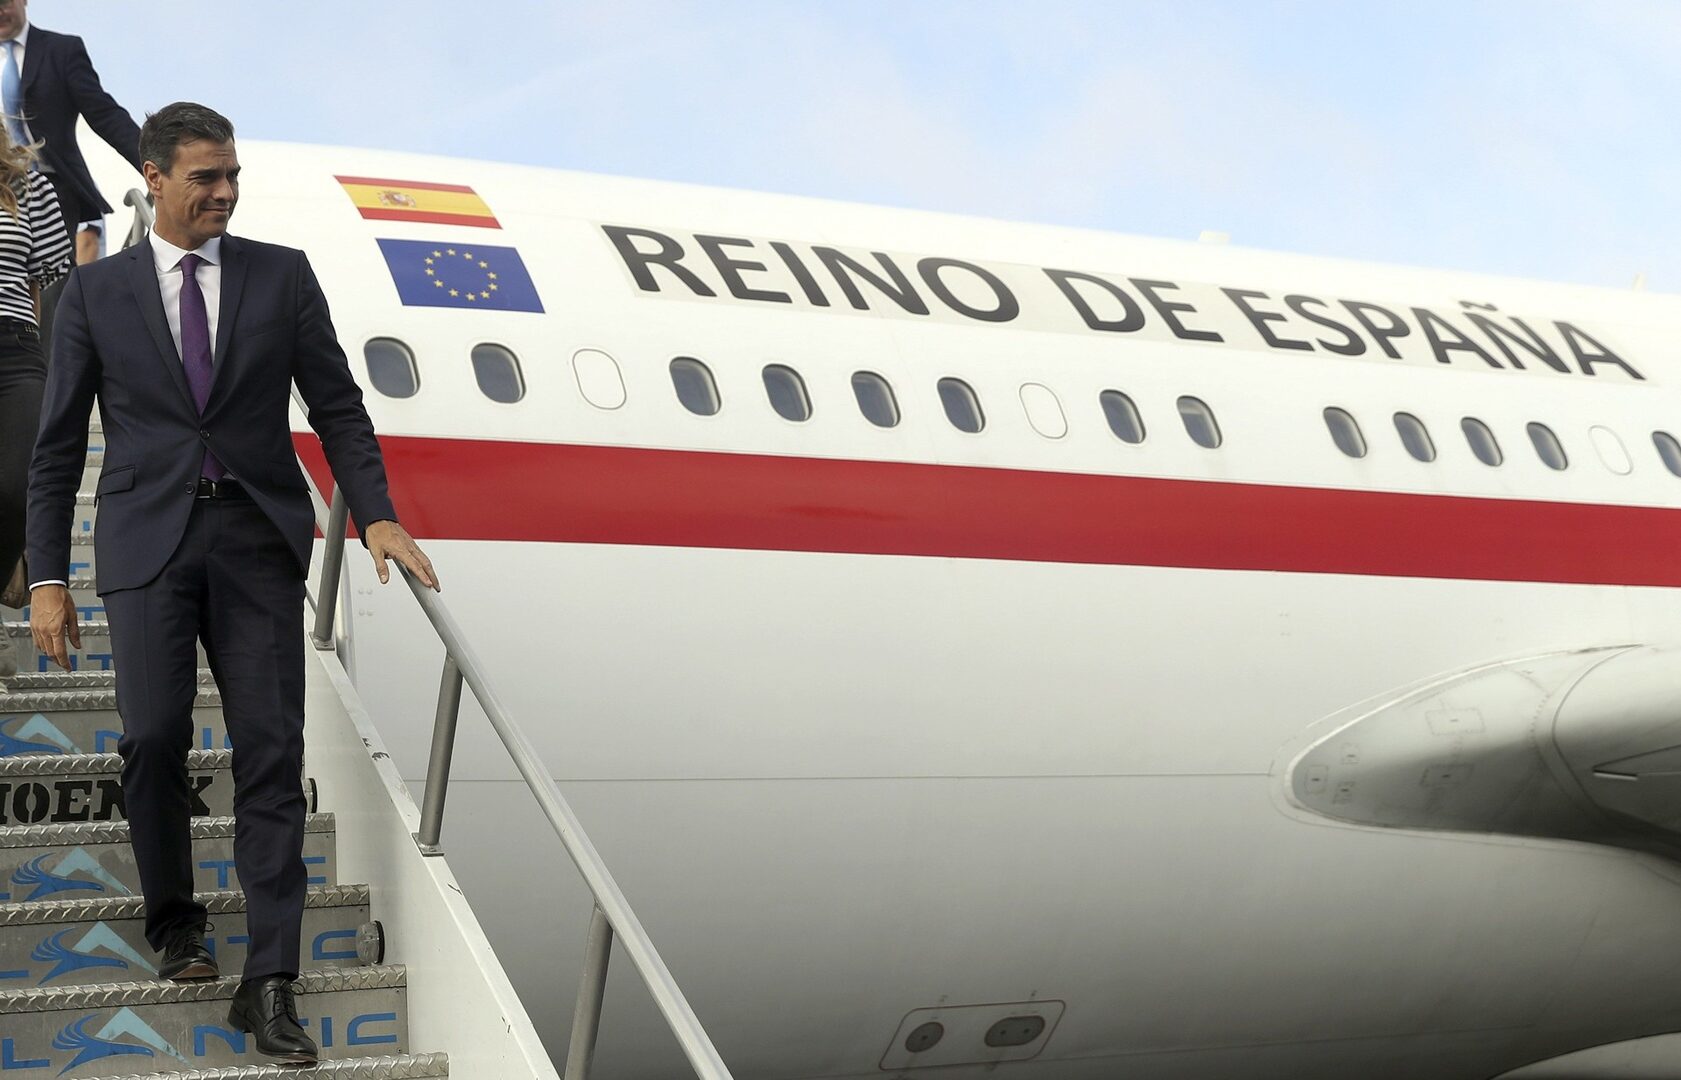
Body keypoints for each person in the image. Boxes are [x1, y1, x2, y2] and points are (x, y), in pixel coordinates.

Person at [25, 102, 438, 1064]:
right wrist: (47, 577)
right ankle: (176, 924)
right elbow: (56, 449)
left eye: (232, 175)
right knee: (153, 737)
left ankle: (271, 980)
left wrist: (375, 511)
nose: (224, 192)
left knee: (269, 752)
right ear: (154, 178)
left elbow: (338, 407)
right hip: (147, 543)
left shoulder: (280, 275)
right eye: (205, 177)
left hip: (255, 538)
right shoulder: (95, 293)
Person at [0, 123, 70, 677]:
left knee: (21, 484)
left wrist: (40, 352)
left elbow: (40, 279)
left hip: (16, 346)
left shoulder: (29, 184)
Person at [0, 0, 143, 242]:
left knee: (53, 263)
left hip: (53, 186)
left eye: (4, 2)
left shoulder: (61, 50)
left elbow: (104, 114)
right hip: (3, 185)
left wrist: (156, 163)